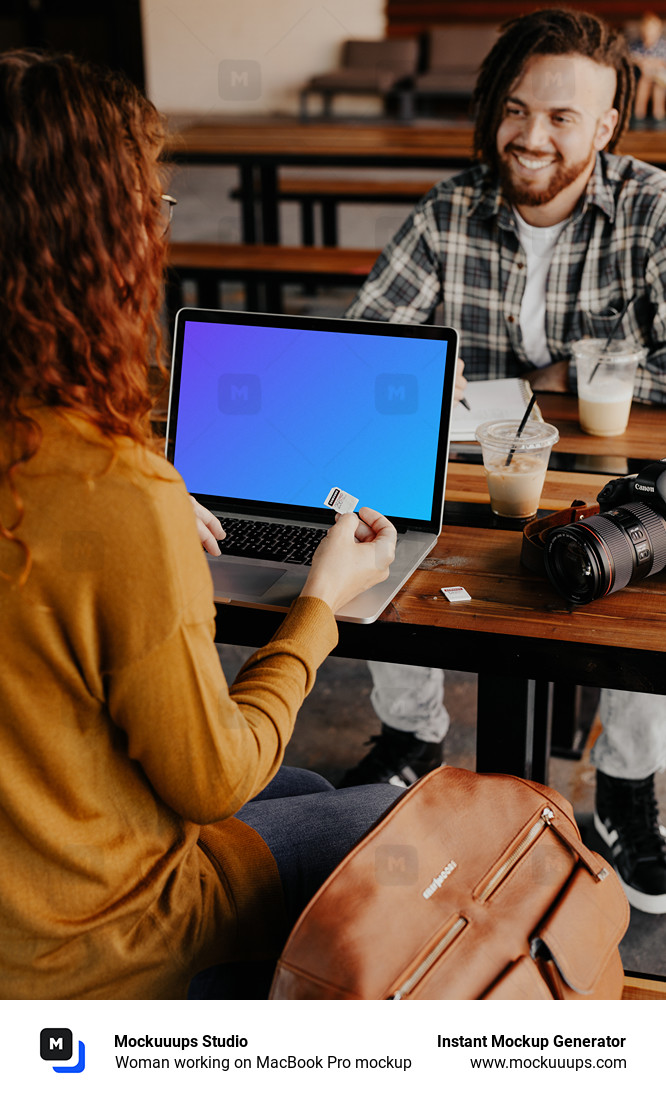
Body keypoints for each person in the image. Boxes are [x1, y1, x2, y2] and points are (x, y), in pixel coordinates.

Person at [0, 49, 402, 1000]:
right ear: (100, 239)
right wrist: (321, 605)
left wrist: (135, 505)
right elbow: (211, 782)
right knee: (404, 814)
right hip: (84, 950)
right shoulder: (108, 489)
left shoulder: (83, 478)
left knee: (302, 791)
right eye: (155, 207)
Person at [343, 8, 666, 915]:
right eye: (516, 108)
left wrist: (543, 377)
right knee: (371, 496)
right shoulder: (449, 211)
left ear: (607, 126)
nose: (529, 137)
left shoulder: (652, 209)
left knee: (652, 556)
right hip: (477, 468)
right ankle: (410, 732)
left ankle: (625, 787)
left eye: (563, 118)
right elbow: (369, 350)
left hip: (611, 475)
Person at [629, 12, 666, 128]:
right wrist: (641, 62)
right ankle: (639, 114)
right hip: (644, 76)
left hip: (661, 77)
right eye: (646, 33)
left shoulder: (662, 45)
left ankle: (658, 114)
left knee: (658, 87)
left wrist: (653, 64)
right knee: (644, 82)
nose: (648, 36)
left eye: (651, 33)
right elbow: (632, 57)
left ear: (658, 32)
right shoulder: (637, 45)